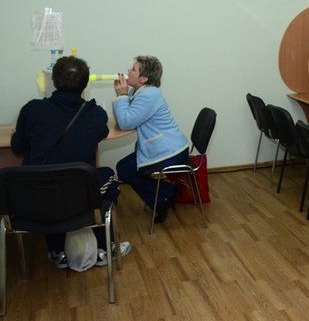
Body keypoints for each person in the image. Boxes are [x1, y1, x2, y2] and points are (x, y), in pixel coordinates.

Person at [11, 56, 131, 269]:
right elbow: (101, 132)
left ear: (54, 81)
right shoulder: (95, 115)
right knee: (108, 176)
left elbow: (17, 147)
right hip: (77, 199)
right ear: (85, 84)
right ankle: (106, 246)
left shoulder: (31, 110)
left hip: (34, 200)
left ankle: (57, 250)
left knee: (50, 182)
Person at [113, 55, 188, 224]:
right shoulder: (140, 91)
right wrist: (122, 96)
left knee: (125, 170)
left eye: (133, 69)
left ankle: (162, 199)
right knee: (123, 167)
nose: (128, 71)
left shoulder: (149, 95)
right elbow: (125, 118)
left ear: (143, 79)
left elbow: (125, 123)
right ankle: (167, 191)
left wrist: (121, 96)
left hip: (170, 152)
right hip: (162, 148)